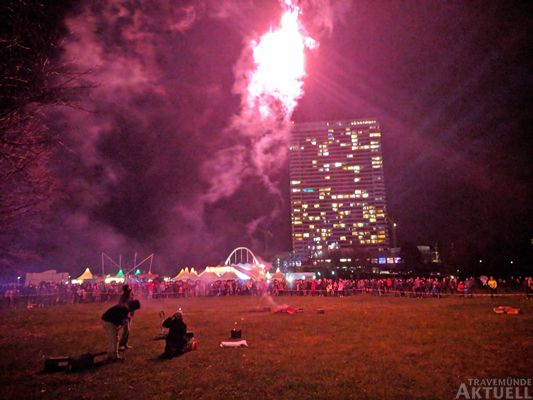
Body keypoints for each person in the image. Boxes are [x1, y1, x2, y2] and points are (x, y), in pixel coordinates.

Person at [118, 285, 134, 350]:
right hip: (124, 315)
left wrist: (132, 311)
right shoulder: (123, 297)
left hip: (129, 315)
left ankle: (125, 344)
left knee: (128, 330)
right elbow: (121, 305)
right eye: (129, 290)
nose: (130, 291)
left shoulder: (130, 296)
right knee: (126, 330)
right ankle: (120, 345)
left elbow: (131, 304)